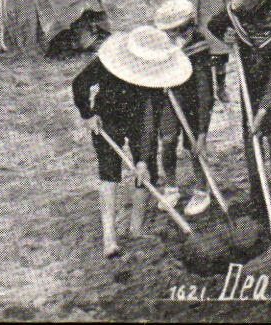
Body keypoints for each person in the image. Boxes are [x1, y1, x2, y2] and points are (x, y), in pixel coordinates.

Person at [71, 25, 191, 258]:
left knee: (147, 174)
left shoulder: (154, 82)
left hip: (138, 124)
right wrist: (87, 115)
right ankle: (109, 239)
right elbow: (80, 84)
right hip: (107, 120)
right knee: (109, 173)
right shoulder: (108, 62)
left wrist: (143, 161)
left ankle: (135, 230)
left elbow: (148, 122)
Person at [208, 0, 271, 226]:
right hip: (251, 68)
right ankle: (257, 193)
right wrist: (225, 36)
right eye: (266, 18)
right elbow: (214, 24)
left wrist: (263, 111)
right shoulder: (235, 15)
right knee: (250, 130)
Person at [154, 0, 217, 218]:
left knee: (194, 147)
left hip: (192, 103)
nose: (171, 37)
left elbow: (205, 94)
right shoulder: (162, 48)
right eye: (167, 33)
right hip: (168, 100)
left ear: (188, 27)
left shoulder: (199, 47)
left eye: (175, 32)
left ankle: (202, 189)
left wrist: (202, 133)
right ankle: (171, 187)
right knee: (168, 141)